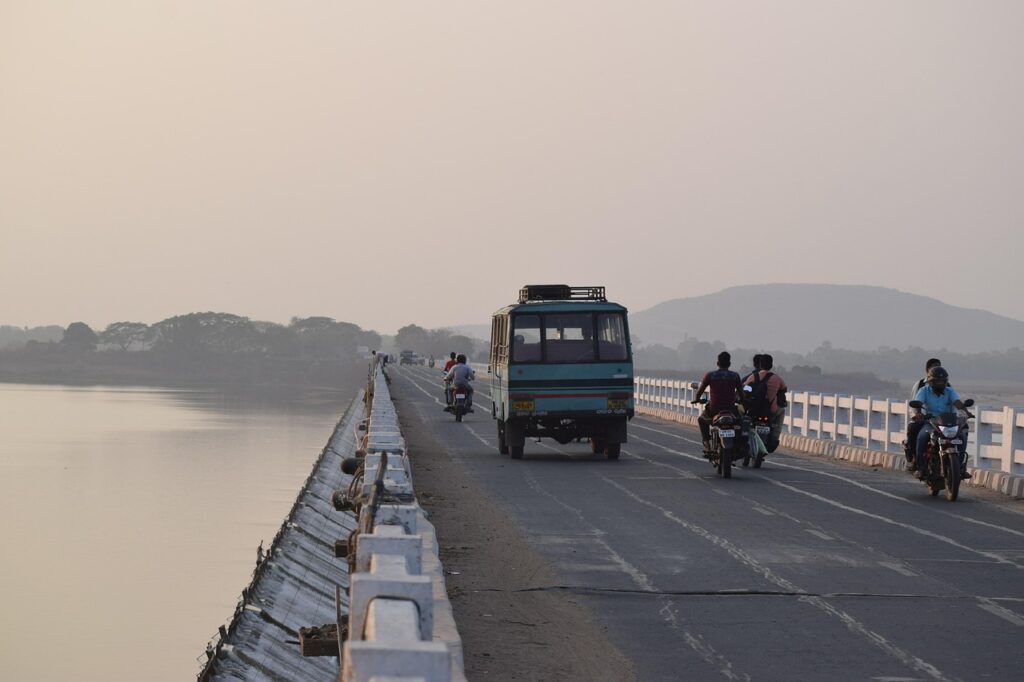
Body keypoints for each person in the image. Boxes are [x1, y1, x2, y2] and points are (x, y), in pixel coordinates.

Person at [911, 366, 973, 480]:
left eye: (943, 381)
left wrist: (966, 412)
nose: (940, 384)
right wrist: (918, 413)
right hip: (931, 422)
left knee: (962, 437)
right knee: (922, 437)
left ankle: (960, 467)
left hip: (949, 422)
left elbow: (957, 402)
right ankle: (921, 468)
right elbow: (918, 403)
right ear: (931, 381)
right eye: (937, 381)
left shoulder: (949, 391)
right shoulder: (924, 390)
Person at [691, 351, 744, 452]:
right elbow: (742, 394)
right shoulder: (735, 376)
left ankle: (706, 443)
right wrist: (742, 400)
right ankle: (739, 444)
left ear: (717, 363)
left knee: (701, 420)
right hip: (730, 409)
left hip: (714, 409)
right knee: (740, 421)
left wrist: (697, 399)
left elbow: (699, 392)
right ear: (729, 363)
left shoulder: (711, 375)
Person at [744, 353, 788, 453]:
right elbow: (784, 389)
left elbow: (745, 388)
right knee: (781, 412)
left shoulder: (753, 377)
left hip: (753, 410)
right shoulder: (777, 378)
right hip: (770, 411)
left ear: (759, 365)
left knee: (742, 414)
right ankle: (774, 438)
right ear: (771, 365)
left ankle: (742, 435)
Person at [904, 358, 943, 470]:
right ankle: (914, 459)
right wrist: (917, 414)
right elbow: (915, 402)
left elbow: (954, 402)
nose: (937, 370)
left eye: (939, 367)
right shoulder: (920, 385)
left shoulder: (946, 385)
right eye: (934, 368)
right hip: (924, 419)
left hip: (942, 421)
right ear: (927, 370)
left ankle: (958, 466)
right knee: (913, 428)